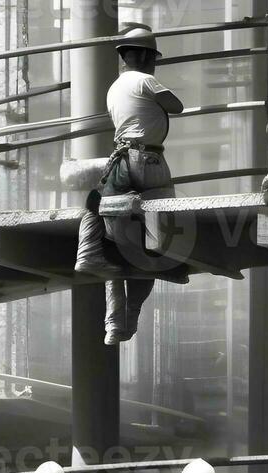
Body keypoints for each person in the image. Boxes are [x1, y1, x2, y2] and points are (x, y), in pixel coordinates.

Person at [74, 24, 186, 346]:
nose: (154, 64)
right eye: (151, 57)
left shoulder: (113, 88)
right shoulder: (145, 80)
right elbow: (176, 106)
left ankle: (113, 325)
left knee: (113, 241)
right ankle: (169, 266)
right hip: (148, 162)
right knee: (159, 232)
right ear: (138, 55)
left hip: (120, 161)